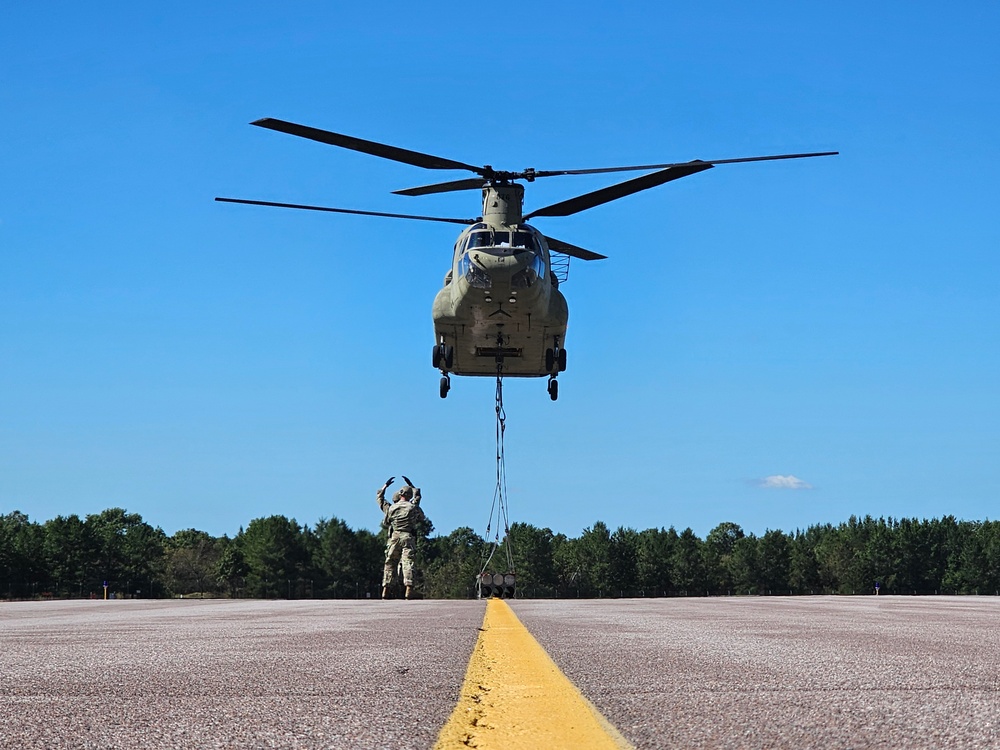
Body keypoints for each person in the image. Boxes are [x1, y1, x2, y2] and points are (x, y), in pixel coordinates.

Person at [377, 475, 425, 600]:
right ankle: (409, 589)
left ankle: (386, 589)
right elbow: (421, 516)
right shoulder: (413, 507)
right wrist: (414, 488)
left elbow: (385, 518)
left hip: (394, 537)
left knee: (390, 562)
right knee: (408, 563)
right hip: (408, 536)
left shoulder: (392, 508)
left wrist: (385, 486)